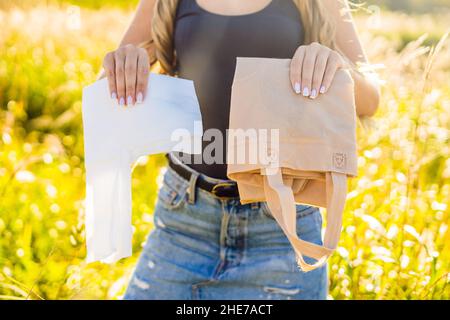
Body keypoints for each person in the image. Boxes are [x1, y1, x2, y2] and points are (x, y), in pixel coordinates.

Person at [98, 0, 380, 300]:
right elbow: (107, 90)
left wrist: (336, 65)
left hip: (282, 228)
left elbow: (370, 101)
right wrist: (124, 66)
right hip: (185, 220)